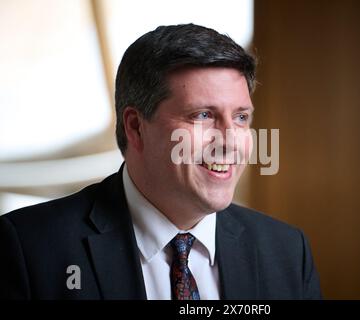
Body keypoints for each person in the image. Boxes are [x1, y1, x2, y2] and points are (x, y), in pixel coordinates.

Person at [0, 24, 321, 300]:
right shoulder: (28, 249)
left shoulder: (288, 252)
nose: (230, 142)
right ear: (136, 127)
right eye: (203, 116)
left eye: (240, 117)